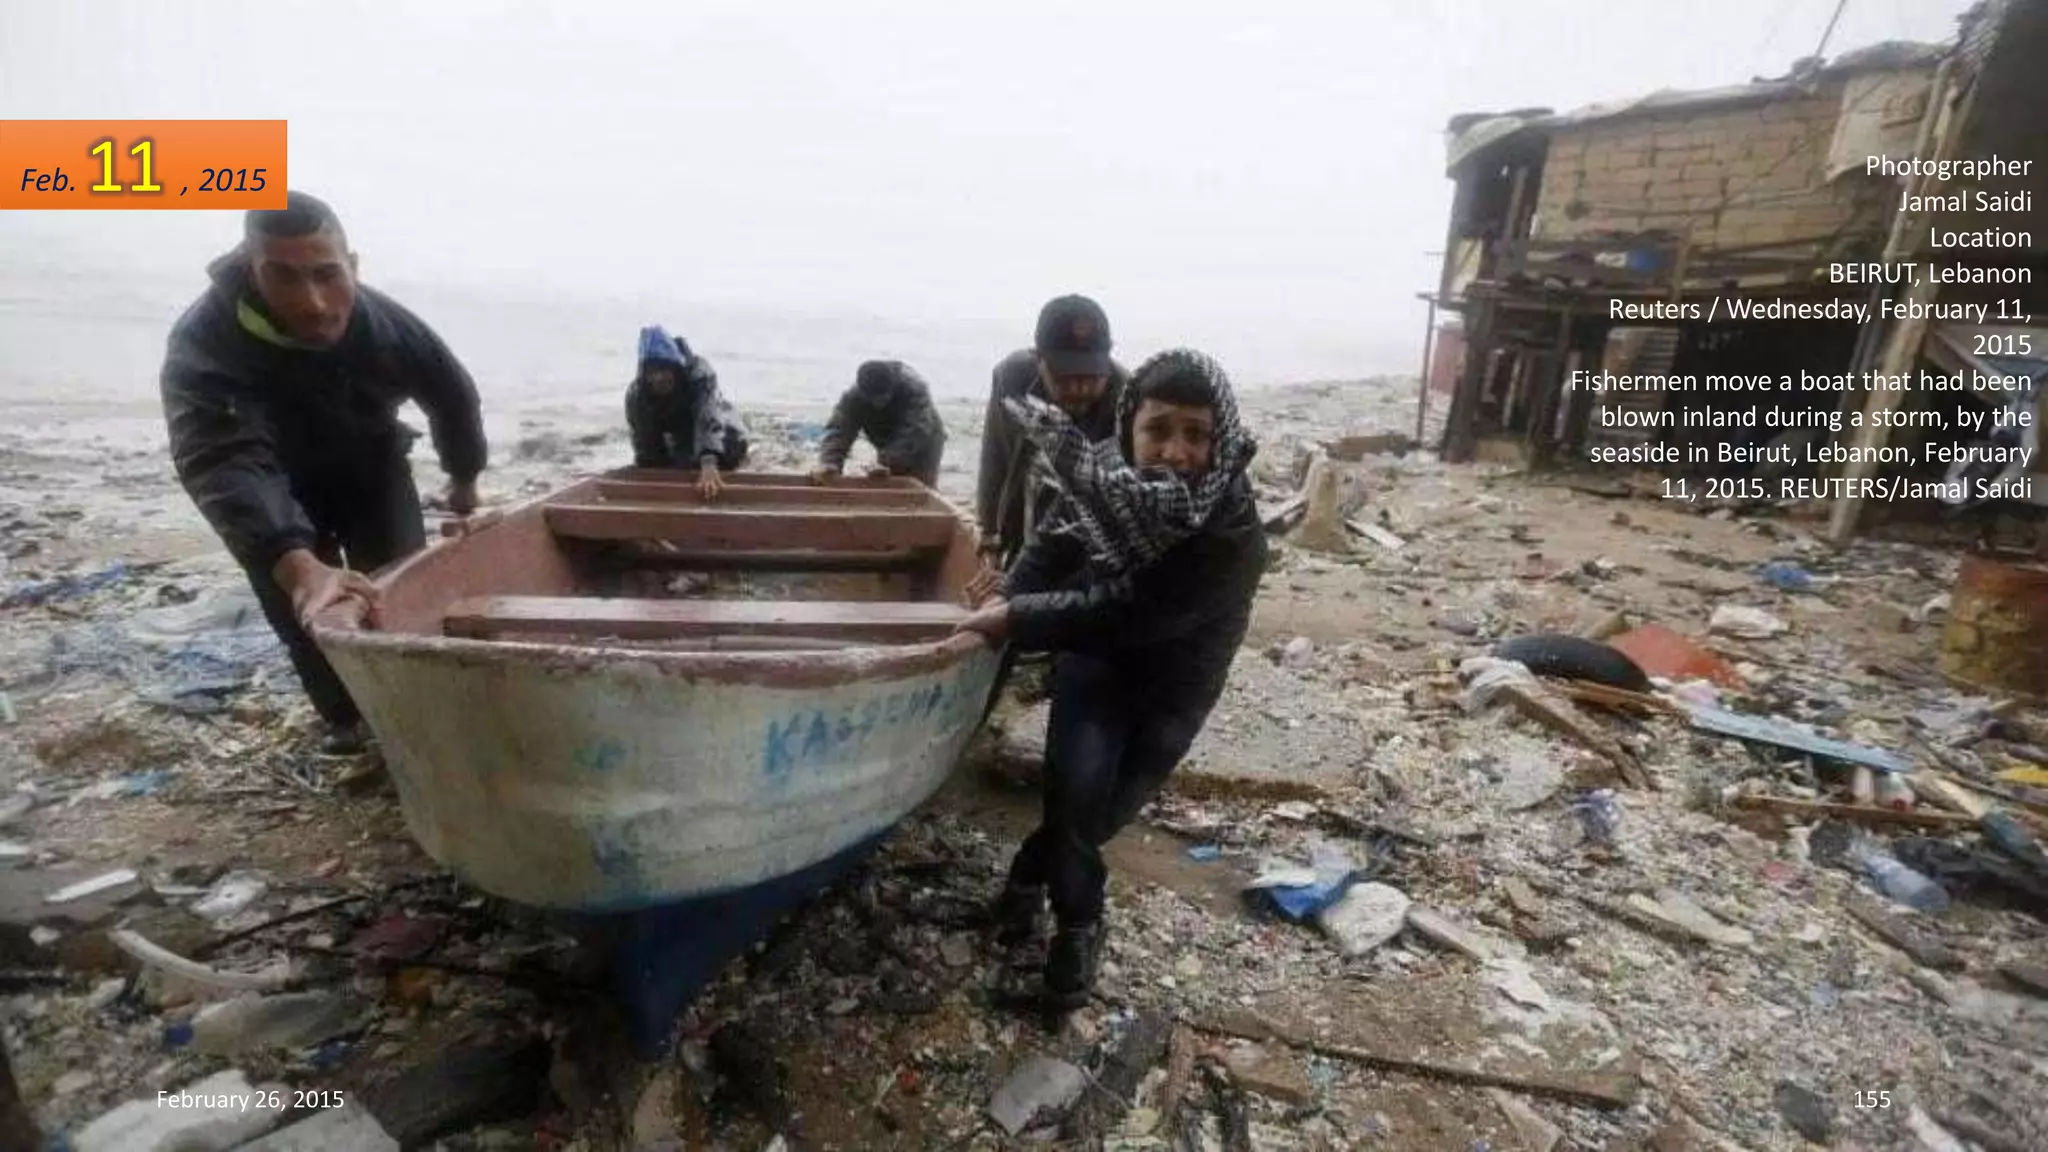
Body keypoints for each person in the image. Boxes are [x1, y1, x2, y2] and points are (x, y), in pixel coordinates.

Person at [955, 349, 1265, 1008]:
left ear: (1220, 440)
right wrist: (1007, 592)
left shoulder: (1231, 530)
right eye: (1159, 429)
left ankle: (1022, 886)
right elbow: (1052, 546)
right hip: (1096, 667)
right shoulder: (1103, 479)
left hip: (1174, 690)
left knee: (1098, 818)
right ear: (1129, 428)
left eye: (1196, 434)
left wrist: (1014, 619)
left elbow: (1127, 611)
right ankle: (1075, 941)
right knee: (1072, 803)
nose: (1175, 451)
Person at [160, 191, 487, 756]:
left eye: (327, 274)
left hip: (370, 468)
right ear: (252, 269)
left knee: (397, 589)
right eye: (284, 277)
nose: (313, 303)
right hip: (273, 484)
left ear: (352, 266)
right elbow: (221, 458)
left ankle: (416, 711)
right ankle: (348, 722)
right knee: (304, 609)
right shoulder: (203, 342)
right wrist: (294, 561)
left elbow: (453, 396)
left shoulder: (386, 325)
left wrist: (464, 479)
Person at [974, 295, 1129, 569]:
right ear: (1039, 359)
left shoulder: (1126, 394)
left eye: (1091, 377)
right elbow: (996, 456)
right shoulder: (1014, 377)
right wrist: (989, 531)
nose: (1079, 389)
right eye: (1064, 378)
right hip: (1032, 497)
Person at [625, 325, 750, 499]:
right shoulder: (637, 394)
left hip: (721, 422)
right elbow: (645, 446)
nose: (659, 378)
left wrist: (709, 462)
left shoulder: (699, 375)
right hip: (681, 433)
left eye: (664, 369)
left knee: (731, 450)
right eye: (652, 372)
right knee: (671, 463)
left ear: (676, 368)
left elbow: (707, 417)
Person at [809, 359, 949, 486]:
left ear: (892, 387)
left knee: (920, 486)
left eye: (883, 397)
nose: (878, 404)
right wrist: (829, 462)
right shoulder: (853, 398)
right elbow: (839, 431)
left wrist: (887, 461)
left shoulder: (914, 389)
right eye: (873, 399)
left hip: (925, 439)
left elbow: (916, 431)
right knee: (884, 481)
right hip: (885, 437)